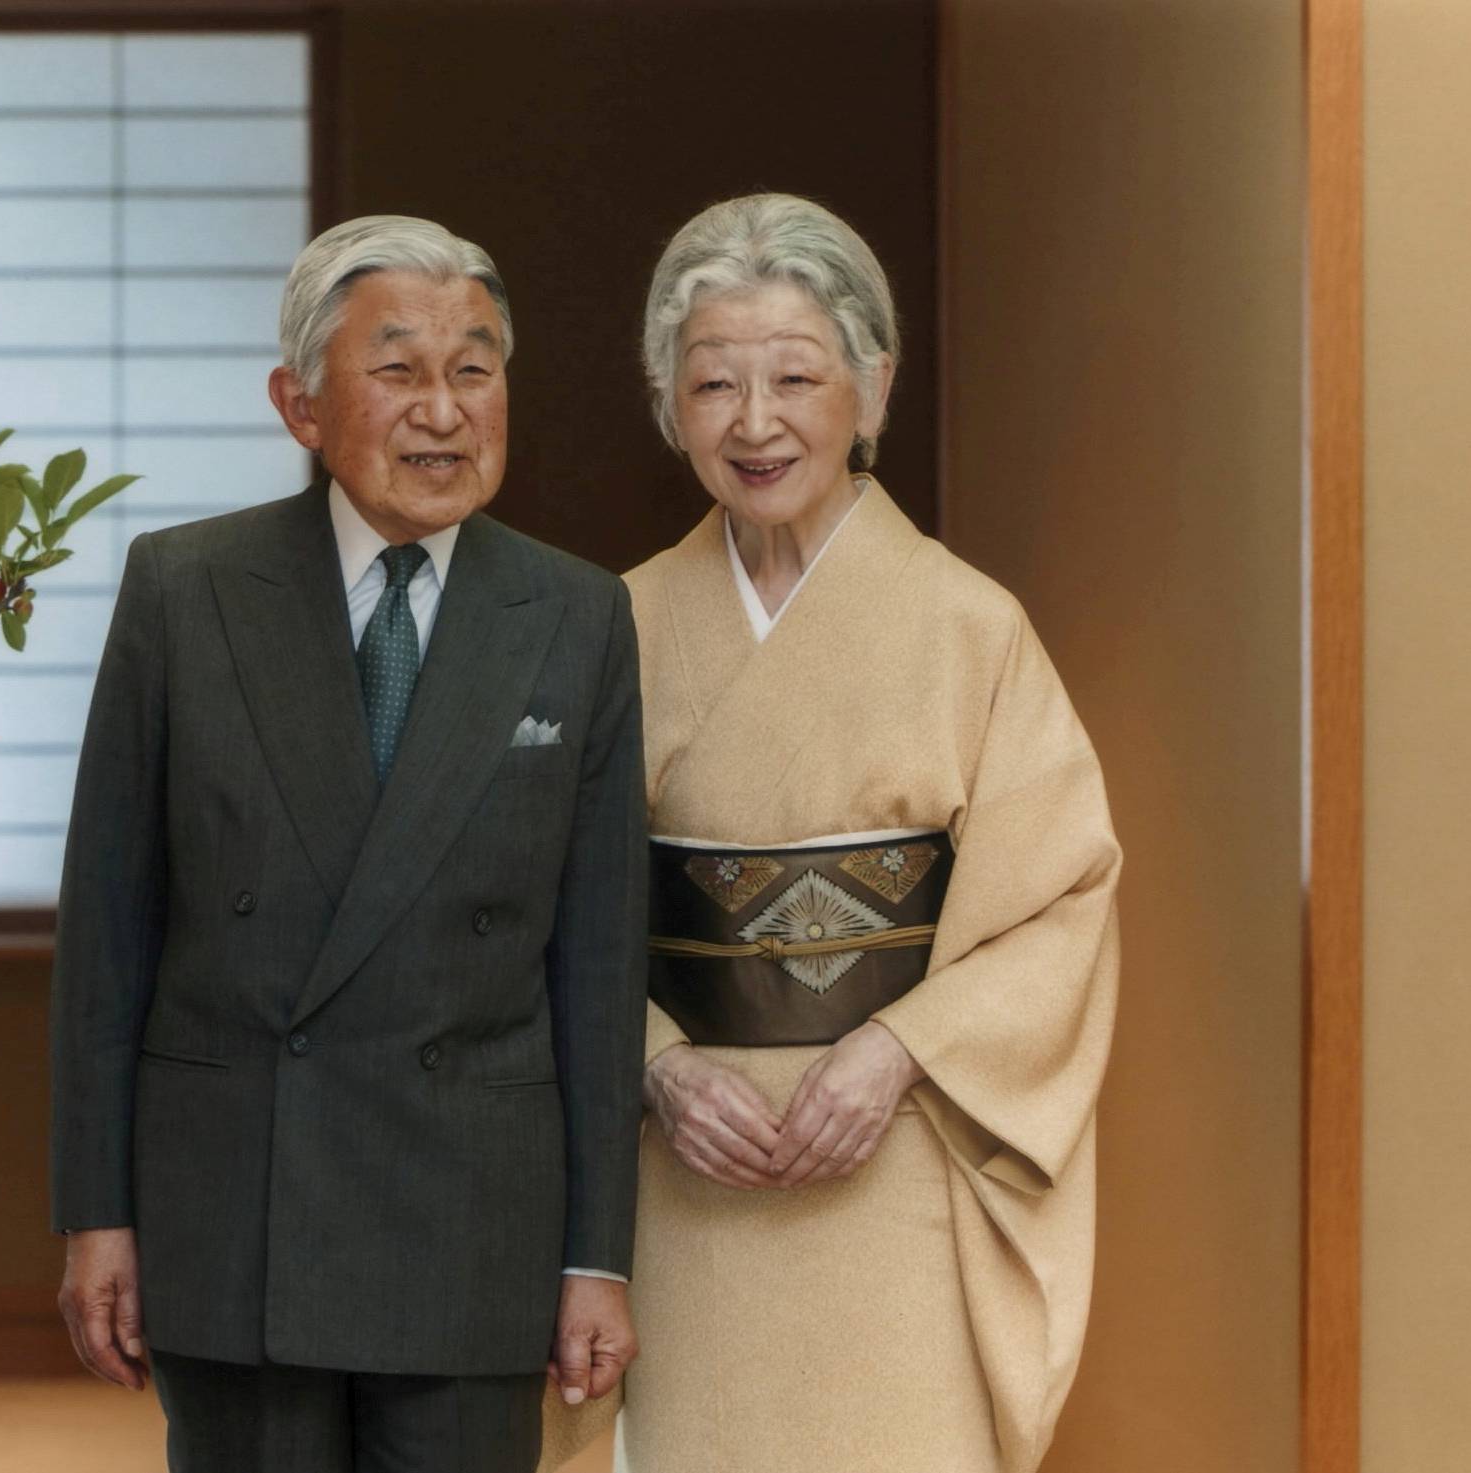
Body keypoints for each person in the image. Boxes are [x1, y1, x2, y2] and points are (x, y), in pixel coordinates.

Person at [50, 215, 648, 1473]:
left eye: (474, 370)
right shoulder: (185, 589)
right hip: (241, 1206)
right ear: (301, 404)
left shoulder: (577, 614)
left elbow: (599, 966)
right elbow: (109, 932)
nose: (444, 410)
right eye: (398, 370)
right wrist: (97, 1214)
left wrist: (595, 1256)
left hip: (471, 1219)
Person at [559, 194, 1122, 1473]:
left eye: (797, 377)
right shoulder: (611, 627)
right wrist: (652, 1061)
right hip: (688, 1168)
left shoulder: (974, 629)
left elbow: (1063, 900)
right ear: (669, 405)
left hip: (895, 1158)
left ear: (873, 386)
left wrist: (897, 1052)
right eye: (713, 384)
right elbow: (541, 904)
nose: (755, 423)